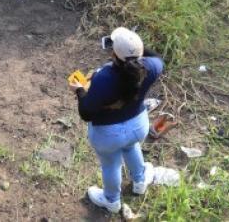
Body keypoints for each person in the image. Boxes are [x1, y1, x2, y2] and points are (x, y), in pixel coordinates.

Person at [68, 27, 164, 214]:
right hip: (138, 126)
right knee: (130, 147)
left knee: (111, 164)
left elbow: (86, 113)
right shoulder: (152, 67)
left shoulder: (103, 78)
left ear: (113, 53)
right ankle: (140, 180)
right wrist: (137, 50)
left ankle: (111, 200)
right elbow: (158, 58)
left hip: (108, 135)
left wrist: (80, 90)